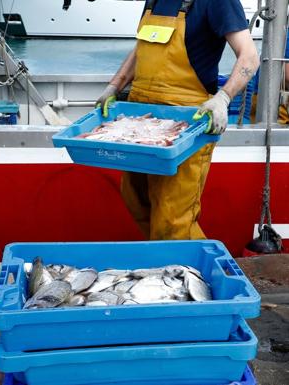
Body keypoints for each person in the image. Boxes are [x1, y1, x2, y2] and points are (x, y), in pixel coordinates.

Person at [96, 0, 259, 240]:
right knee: (137, 200)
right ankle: (162, 265)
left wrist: (223, 98)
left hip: (186, 125)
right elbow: (141, 48)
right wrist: (114, 85)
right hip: (141, 122)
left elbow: (250, 56)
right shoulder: (154, 1)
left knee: (173, 219)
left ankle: (191, 272)